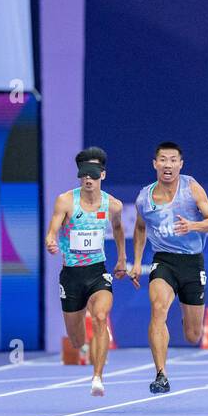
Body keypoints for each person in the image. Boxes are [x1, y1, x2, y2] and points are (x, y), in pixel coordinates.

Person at [129, 142, 208, 395]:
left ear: (180, 164)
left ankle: (185, 309)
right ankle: (161, 374)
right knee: (158, 309)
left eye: (173, 160)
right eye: (163, 160)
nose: (167, 165)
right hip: (163, 261)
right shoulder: (144, 198)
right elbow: (139, 228)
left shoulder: (191, 188)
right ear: (155, 164)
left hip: (191, 262)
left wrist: (193, 226)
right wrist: (136, 262)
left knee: (193, 335)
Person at [45, 148, 127, 396]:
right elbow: (53, 229)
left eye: (93, 173)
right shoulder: (66, 200)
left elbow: (119, 230)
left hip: (97, 272)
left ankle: (97, 378)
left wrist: (122, 257)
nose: (88, 179)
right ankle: (88, 334)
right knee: (77, 340)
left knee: (101, 316)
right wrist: (51, 241)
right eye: (83, 174)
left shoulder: (113, 205)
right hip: (71, 276)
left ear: (102, 174)